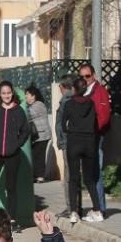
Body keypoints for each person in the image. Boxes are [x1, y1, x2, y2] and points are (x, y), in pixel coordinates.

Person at [0, 80, 30, 231]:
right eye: (3, 93)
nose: (6, 95)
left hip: (13, 155)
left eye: (9, 93)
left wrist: (17, 144)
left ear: (12, 93)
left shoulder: (18, 110)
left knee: (11, 188)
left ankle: (12, 220)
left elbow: (25, 131)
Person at [62, 76, 101, 224]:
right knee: (90, 178)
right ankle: (97, 210)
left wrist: (70, 131)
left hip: (74, 142)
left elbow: (63, 123)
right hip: (89, 142)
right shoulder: (91, 103)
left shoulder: (69, 104)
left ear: (74, 89)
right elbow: (95, 122)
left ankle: (73, 212)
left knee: (73, 178)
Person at [78, 63, 112, 213]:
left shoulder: (100, 91)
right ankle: (94, 207)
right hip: (83, 137)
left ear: (94, 76)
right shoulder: (82, 91)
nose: (85, 79)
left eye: (87, 76)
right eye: (82, 76)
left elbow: (104, 116)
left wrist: (92, 130)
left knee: (95, 171)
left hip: (95, 136)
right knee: (88, 173)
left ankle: (100, 208)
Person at [53, 76, 74, 216]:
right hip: (71, 141)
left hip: (68, 142)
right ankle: (72, 207)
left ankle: (71, 208)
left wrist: (61, 141)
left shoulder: (66, 100)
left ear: (62, 87)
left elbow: (62, 123)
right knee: (72, 175)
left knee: (69, 176)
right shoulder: (73, 99)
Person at [25, 85, 52, 183]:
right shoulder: (32, 105)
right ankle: (35, 175)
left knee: (39, 156)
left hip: (42, 135)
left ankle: (40, 176)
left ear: (34, 96)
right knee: (34, 155)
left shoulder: (39, 104)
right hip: (36, 136)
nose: (26, 97)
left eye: (28, 94)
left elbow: (29, 114)